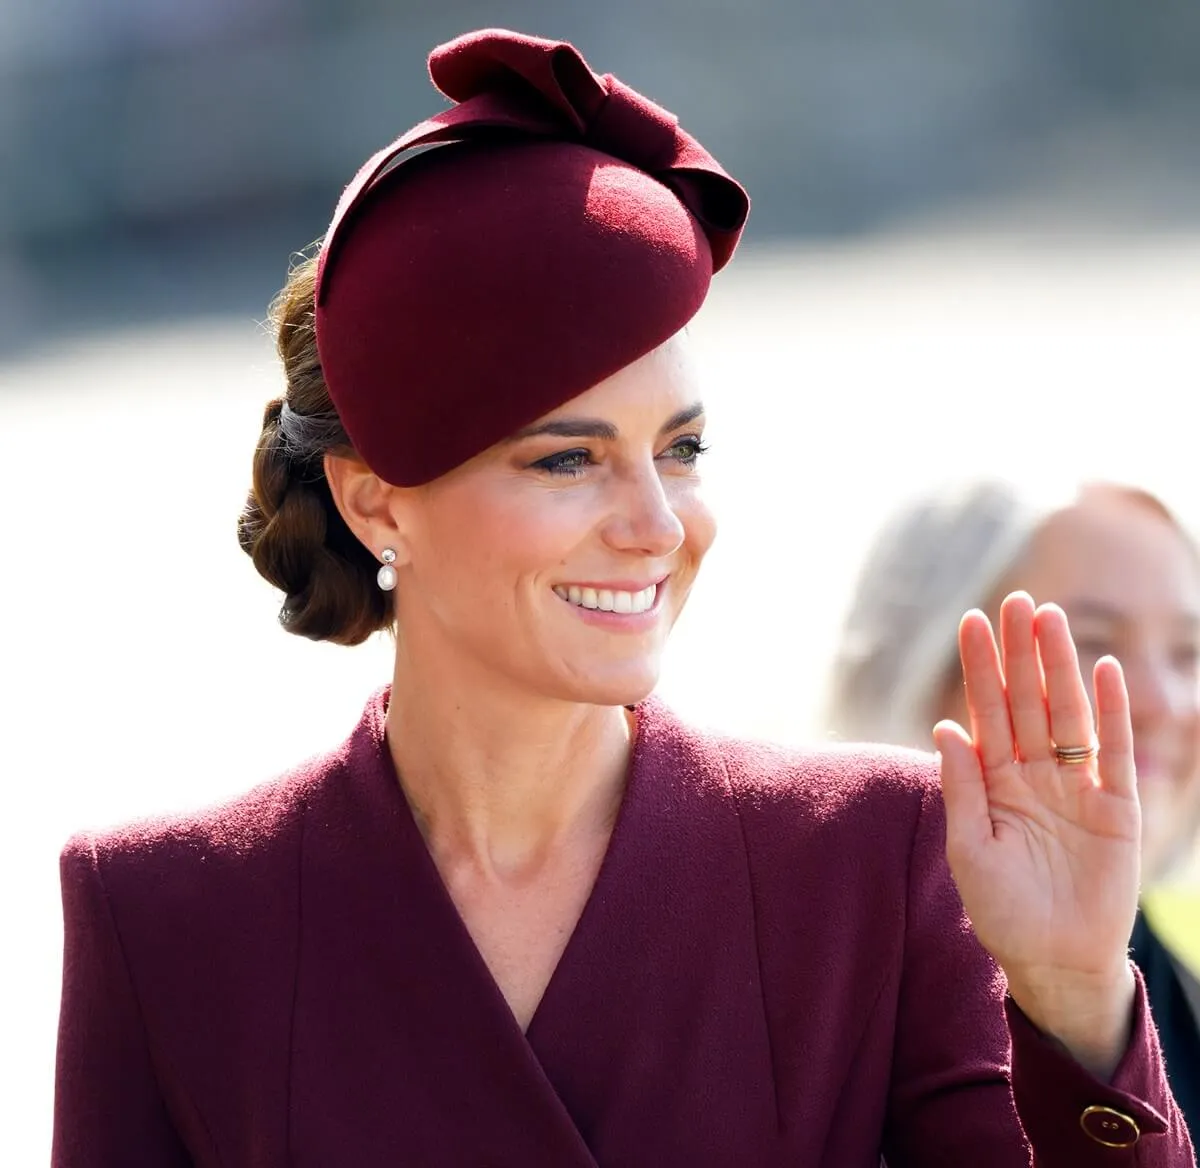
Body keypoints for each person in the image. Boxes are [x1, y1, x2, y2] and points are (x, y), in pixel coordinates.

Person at [52, 30, 1195, 1167]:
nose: (657, 523)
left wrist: (1077, 1002)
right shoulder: (164, 915)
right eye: (567, 458)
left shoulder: (880, 860)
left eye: (681, 448)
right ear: (377, 503)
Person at [825, 476, 1200, 1142]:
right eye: (1091, 643)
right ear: (927, 672)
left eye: (1188, 654)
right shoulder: (825, 991)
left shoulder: (1171, 988)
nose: (1165, 702)